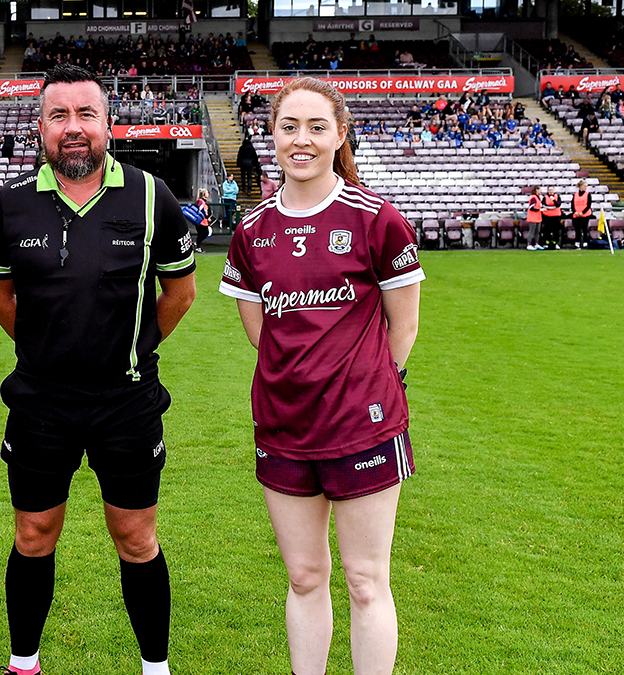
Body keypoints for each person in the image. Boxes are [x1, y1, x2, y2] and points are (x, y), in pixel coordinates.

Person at [0, 64, 196, 675]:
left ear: (108, 123)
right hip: (40, 402)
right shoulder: (12, 205)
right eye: (58, 116)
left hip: (126, 403)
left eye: (85, 115)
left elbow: (179, 295)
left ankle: (156, 667)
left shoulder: (154, 197)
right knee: (33, 533)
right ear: (40, 126)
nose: (73, 128)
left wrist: (130, 349)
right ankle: (24, 663)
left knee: (136, 537)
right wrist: (47, 348)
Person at [218, 76, 423, 675]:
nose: (300, 140)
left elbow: (401, 331)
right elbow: (262, 332)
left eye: (316, 127)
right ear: (272, 136)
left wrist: (358, 386)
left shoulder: (377, 219)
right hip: (284, 426)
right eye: (289, 127)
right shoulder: (252, 232)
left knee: (365, 580)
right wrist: (301, 381)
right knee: (305, 576)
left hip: (363, 425)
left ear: (339, 135)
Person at [570, 179, 592, 248]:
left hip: (585, 215)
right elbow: (572, 205)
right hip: (576, 215)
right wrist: (575, 212)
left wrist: (582, 212)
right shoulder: (575, 194)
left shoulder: (588, 194)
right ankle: (577, 243)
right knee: (577, 230)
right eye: (584, 186)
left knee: (585, 229)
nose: (585, 188)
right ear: (580, 186)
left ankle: (585, 243)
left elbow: (588, 205)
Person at [542, 185, 563, 250]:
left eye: (552, 190)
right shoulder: (545, 197)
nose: (551, 191)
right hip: (547, 216)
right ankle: (547, 243)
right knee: (547, 230)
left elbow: (558, 204)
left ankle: (555, 243)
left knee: (556, 231)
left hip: (556, 216)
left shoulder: (557, 196)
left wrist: (553, 200)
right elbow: (544, 205)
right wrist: (552, 207)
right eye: (549, 190)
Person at [194, 188, 213, 252]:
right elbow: (201, 210)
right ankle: (198, 247)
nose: (208, 194)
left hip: (204, 221)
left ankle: (197, 243)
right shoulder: (200, 201)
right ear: (203, 194)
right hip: (201, 221)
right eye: (207, 192)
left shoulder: (203, 201)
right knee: (201, 233)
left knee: (205, 233)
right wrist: (207, 217)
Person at [526, 185, 544, 251]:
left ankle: (537, 243)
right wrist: (539, 210)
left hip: (538, 218)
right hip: (533, 218)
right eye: (540, 190)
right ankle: (529, 244)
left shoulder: (538, 197)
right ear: (537, 190)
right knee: (532, 231)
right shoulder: (533, 198)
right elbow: (531, 207)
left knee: (537, 232)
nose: (541, 191)